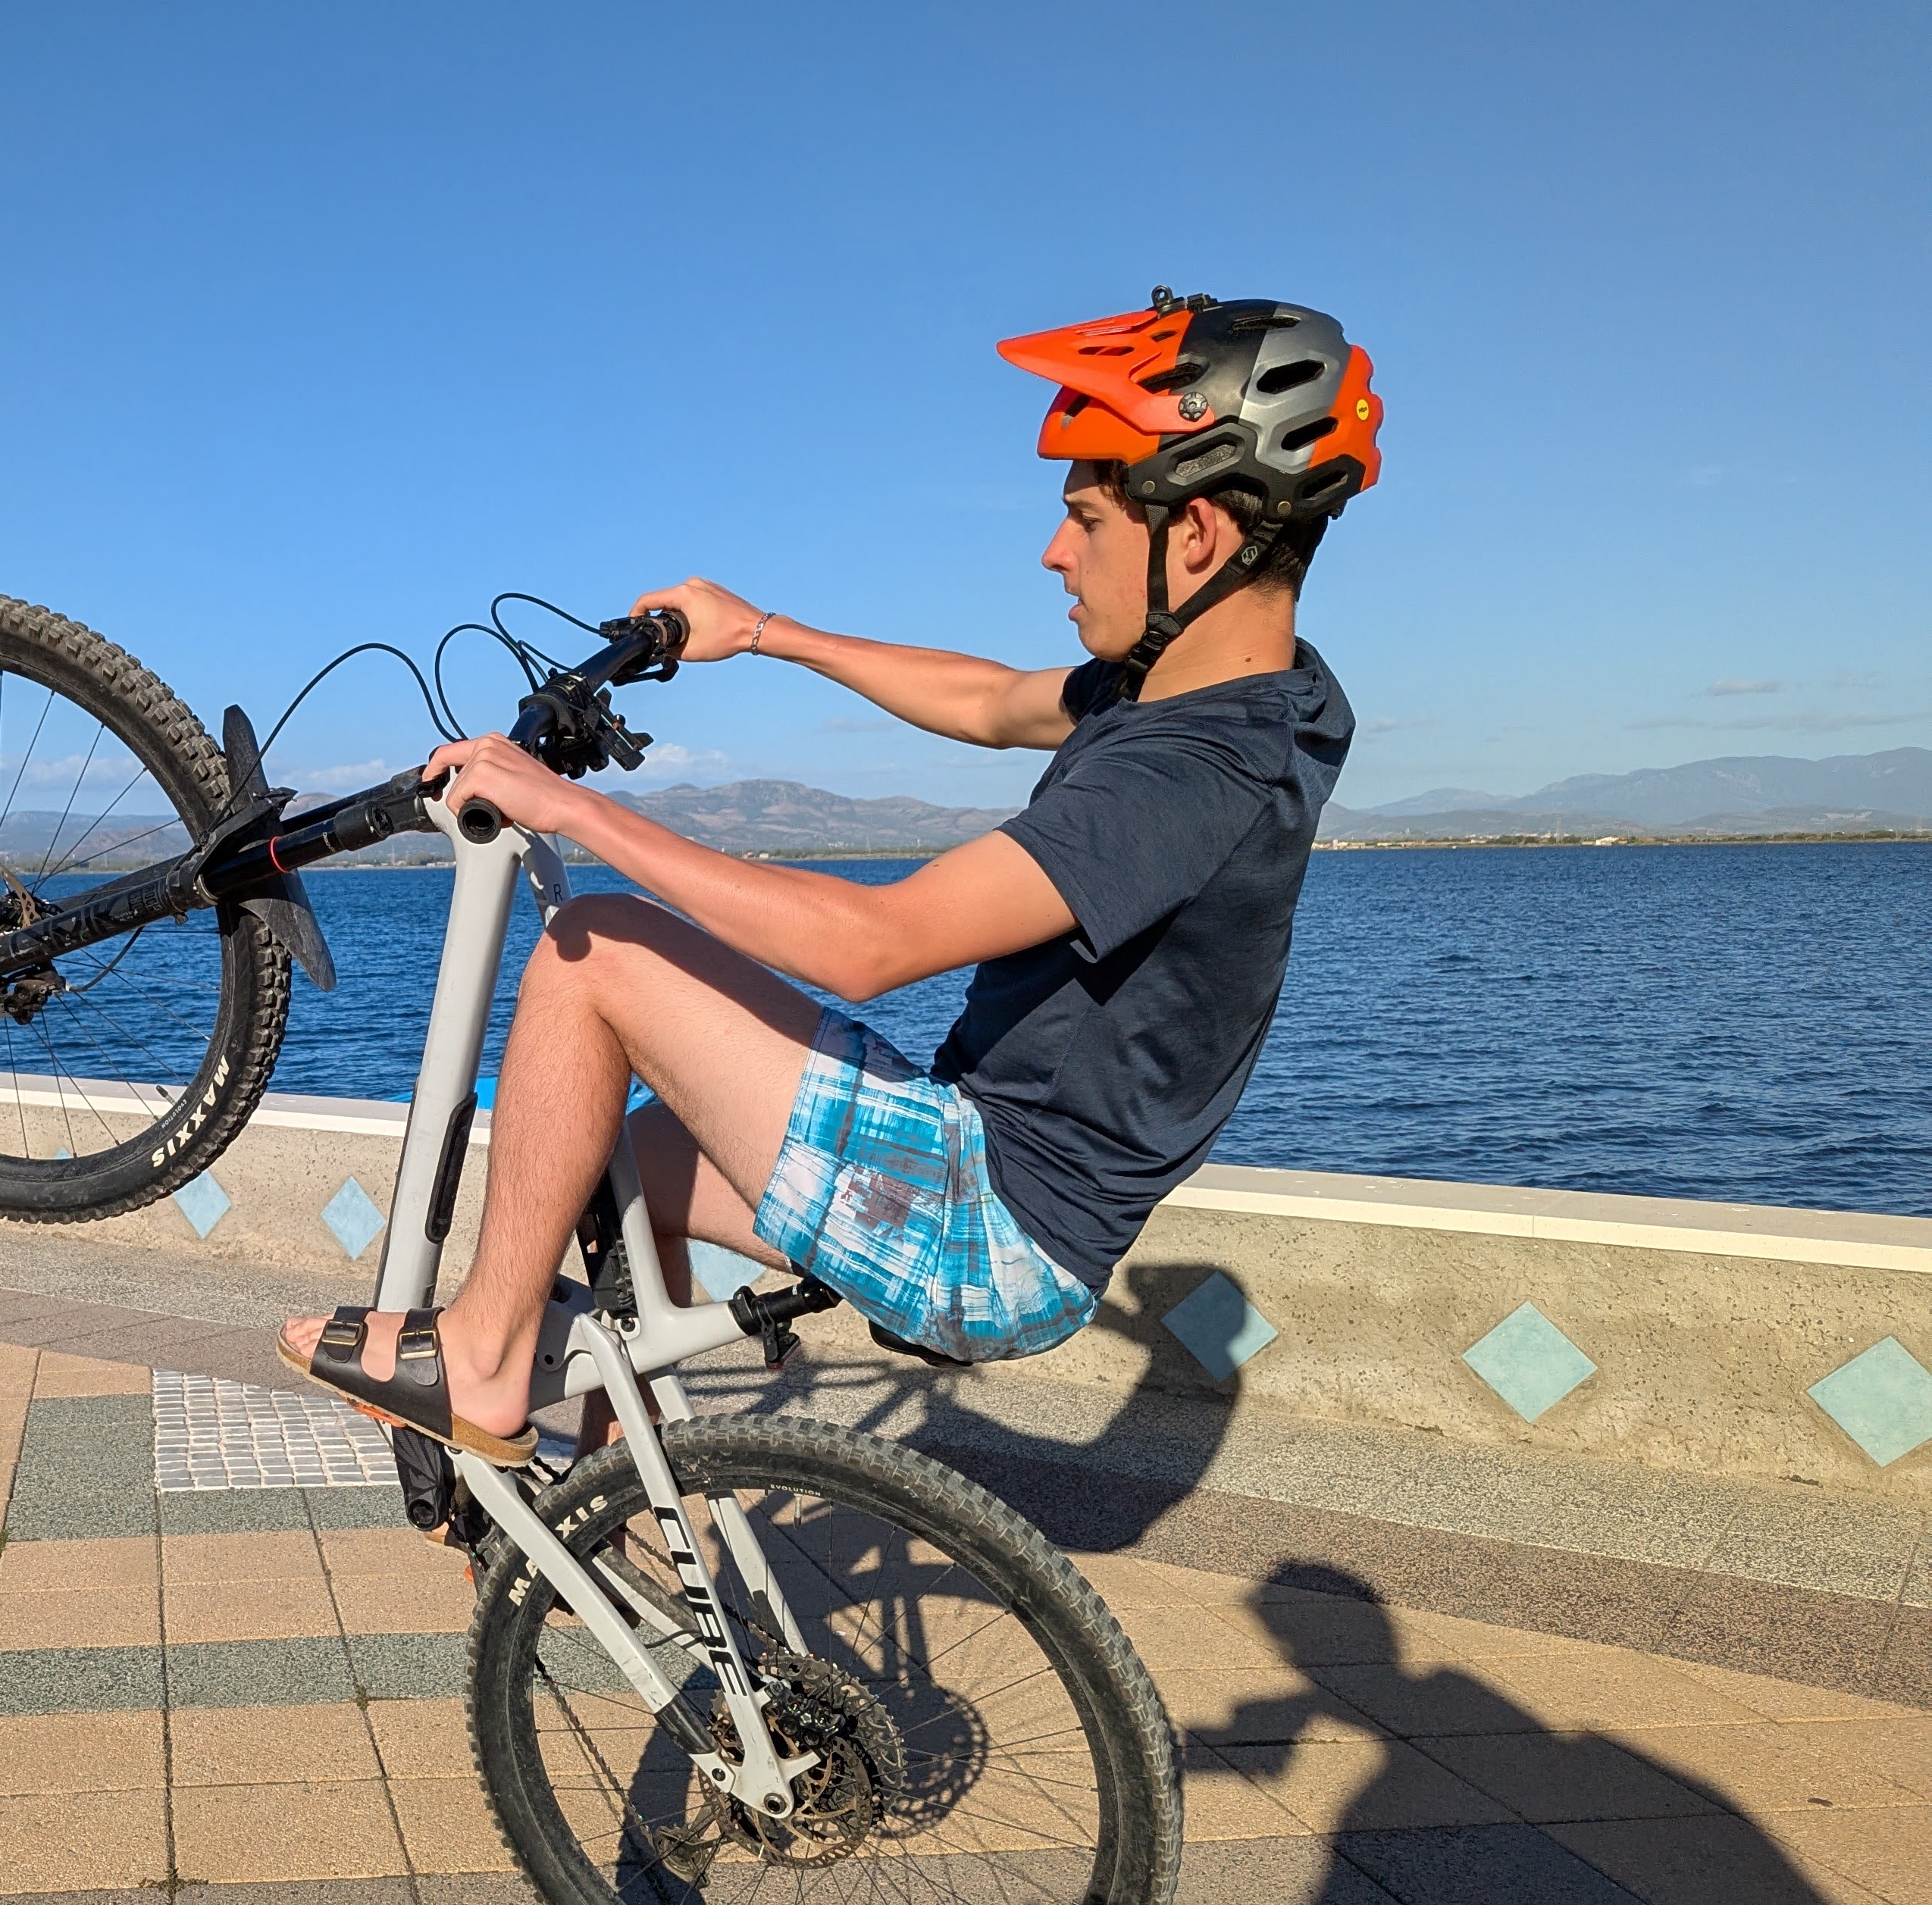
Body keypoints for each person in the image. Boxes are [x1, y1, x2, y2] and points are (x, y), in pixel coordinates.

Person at [282, 290, 1381, 1464]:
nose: (1054, 550)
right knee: (597, 1161)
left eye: (1085, 519)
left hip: (988, 1224)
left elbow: (872, 943)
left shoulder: (1197, 769)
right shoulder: (1241, 691)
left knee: (594, 947)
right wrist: (763, 632)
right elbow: (989, 700)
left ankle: (481, 1364)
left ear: (1198, 534)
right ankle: (632, 1511)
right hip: (986, 1163)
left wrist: (571, 807)